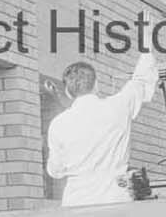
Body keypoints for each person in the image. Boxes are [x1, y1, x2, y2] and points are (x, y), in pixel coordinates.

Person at [46, 52, 159, 207]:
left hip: (76, 203)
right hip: (115, 199)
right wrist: (147, 47)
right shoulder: (118, 107)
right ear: (96, 84)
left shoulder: (57, 124)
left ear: (67, 91)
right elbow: (140, 80)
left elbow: (55, 171)